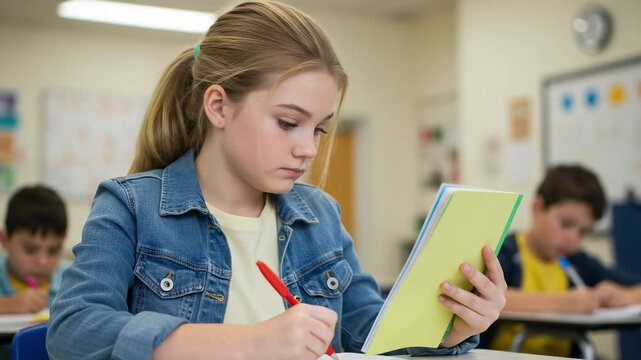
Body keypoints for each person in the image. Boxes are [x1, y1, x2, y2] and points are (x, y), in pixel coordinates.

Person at [46, 2, 507, 359]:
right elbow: (73, 331)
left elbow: (372, 337)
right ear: (219, 106)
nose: (308, 148)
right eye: (289, 122)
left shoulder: (320, 217)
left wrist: (453, 330)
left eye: (320, 128)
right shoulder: (130, 206)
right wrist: (249, 343)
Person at [481, 164, 641, 357]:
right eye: (566, 224)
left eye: (584, 231)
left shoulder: (577, 262)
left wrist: (624, 296)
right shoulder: (503, 253)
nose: (573, 238)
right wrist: (565, 302)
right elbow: (487, 298)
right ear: (537, 208)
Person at [0, 185, 68, 314]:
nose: (42, 262)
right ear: (4, 240)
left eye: (53, 251)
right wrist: (7, 304)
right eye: (30, 250)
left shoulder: (73, 280)